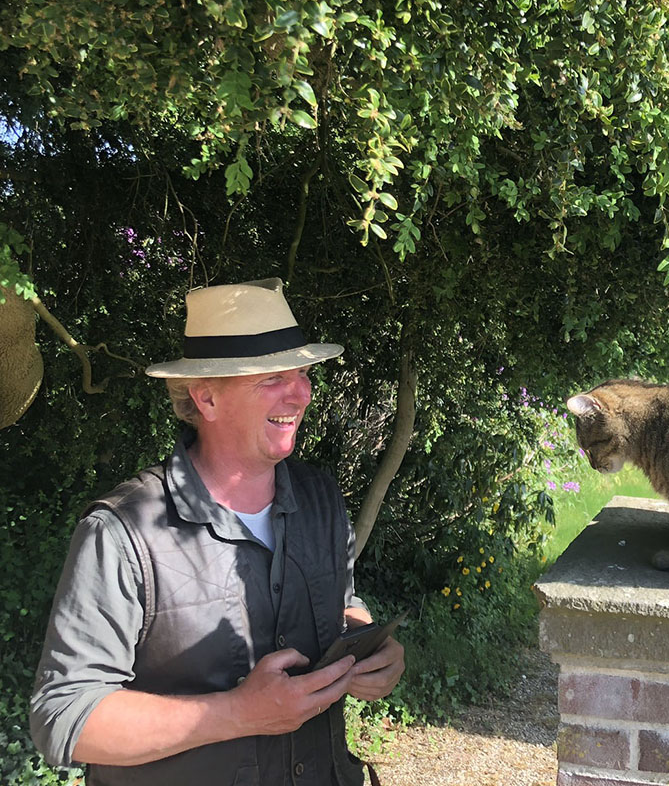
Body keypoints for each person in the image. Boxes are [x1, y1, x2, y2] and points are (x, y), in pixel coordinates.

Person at [30, 278, 404, 785]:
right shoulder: (122, 533)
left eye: (301, 371)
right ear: (206, 398)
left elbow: (342, 602)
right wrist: (234, 713)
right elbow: (64, 718)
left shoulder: (321, 500)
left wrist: (369, 647)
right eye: (272, 376)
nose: (301, 391)